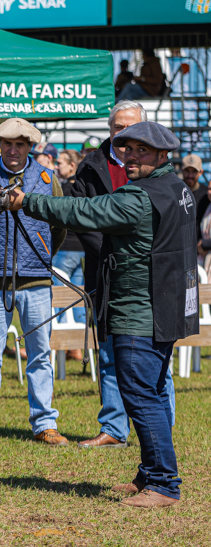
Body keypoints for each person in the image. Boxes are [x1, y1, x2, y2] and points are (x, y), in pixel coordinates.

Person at [7, 121, 193, 508]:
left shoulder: (138, 198)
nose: (130, 157)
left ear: (162, 155)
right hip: (163, 309)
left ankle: (163, 485)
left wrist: (27, 201)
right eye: (126, 149)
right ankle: (150, 474)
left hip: (139, 313)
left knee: (141, 396)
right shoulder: (177, 189)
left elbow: (82, 210)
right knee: (153, 392)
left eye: (141, 151)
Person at [70, 100, 176, 449]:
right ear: (110, 130)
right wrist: (115, 252)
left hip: (149, 278)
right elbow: (82, 217)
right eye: (118, 129)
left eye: (132, 129)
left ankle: (161, 428)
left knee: (154, 361)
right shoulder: (91, 167)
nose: (125, 137)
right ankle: (114, 427)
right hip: (104, 272)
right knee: (110, 353)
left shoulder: (160, 172)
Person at [0, 117, 68, 449]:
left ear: (30, 147)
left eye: (20, 144)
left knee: (40, 353)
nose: (13, 150)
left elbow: (60, 224)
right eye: (7, 144)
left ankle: (44, 422)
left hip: (36, 280)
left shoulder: (46, 178)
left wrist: (40, 252)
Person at [53, 149, 87, 331]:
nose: (56, 167)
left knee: (60, 298)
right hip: (82, 247)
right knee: (78, 297)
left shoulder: (65, 190)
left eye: (60, 163)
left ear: (72, 166)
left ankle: (61, 342)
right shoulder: (85, 187)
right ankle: (78, 347)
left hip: (66, 248)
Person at [181, 154, 209, 236]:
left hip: (199, 244)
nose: (190, 176)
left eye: (194, 171)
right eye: (187, 171)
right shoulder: (174, 191)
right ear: (182, 170)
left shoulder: (206, 194)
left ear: (201, 172)